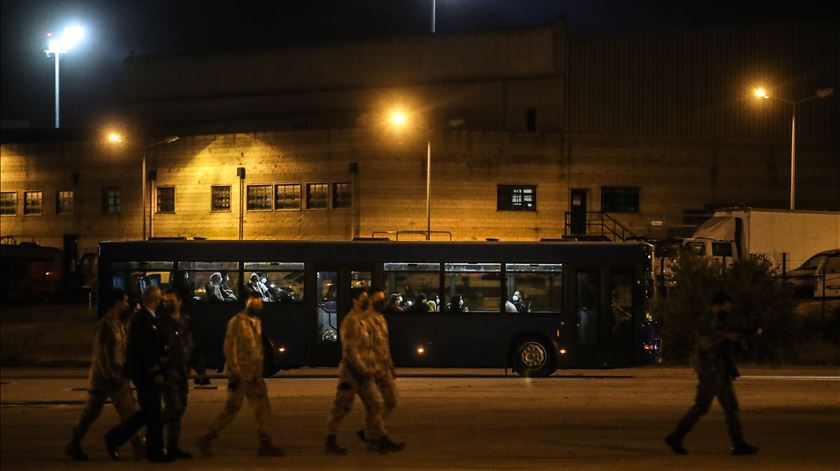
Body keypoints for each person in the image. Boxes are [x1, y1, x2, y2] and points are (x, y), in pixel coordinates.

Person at [665, 292, 759, 456]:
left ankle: (738, 443)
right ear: (721, 304)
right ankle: (677, 436)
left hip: (720, 371)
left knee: (731, 407)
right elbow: (706, 344)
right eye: (727, 306)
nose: (729, 310)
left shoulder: (718, 321)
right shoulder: (707, 321)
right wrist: (725, 337)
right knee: (702, 405)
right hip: (710, 371)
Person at [196, 293, 284, 457]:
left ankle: (265, 443)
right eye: (253, 303)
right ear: (246, 303)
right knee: (231, 409)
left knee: (264, 409)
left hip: (255, 376)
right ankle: (207, 438)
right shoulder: (237, 322)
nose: (256, 306)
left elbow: (258, 348)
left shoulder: (257, 323)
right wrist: (235, 372)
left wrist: (260, 373)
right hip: (240, 376)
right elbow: (229, 348)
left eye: (258, 303)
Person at [65, 288, 144, 461]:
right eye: (124, 300)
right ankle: (74, 443)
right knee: (90, 413)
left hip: (117, 378)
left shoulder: (119, 324)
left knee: (128, 413)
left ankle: (139, 446)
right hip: (104, 380)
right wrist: (111, 376)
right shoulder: (105, 326)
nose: (126, 303)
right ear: (117, 303)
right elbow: (101, 355)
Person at [325, 288, 403, 454]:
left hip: (365, 373)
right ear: (355, 301)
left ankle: (377, 439)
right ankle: (330, 438)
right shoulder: (351, 322)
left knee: (375, 404)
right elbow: (350, 351)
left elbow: (374, 347)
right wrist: (365, 370)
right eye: (363, 298)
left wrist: (376, 368)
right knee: (342, 407)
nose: (366, 301)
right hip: (351, 373)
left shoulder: (363, 320)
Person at [104, 285, 173, 463]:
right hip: (146, 376)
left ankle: (116, 439)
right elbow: (145, 349)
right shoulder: (143, 319)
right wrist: (155, 371)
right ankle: (154, 452)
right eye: (160, 298)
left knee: (148, 414)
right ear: (154, 300)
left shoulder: (146, 317)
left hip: (145, 374)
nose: (162, 301)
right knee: (154, 414)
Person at [158, 288, 207, 459]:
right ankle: (153, 428)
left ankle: (172, 446)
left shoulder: (187, 323)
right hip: (168, 373)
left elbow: (194, 348)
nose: (168, 304)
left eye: (172, 301)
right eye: (166, 302)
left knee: (180, 410)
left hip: (183, 373)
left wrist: (200, 370)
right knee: (173, 408)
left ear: (179, 302)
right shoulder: (161, 323)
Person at [359, 288, 403, 450]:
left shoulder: (380, 319)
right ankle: (377, 437)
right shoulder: (364, 320)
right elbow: (364, 346)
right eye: (379, 297)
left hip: (383, 368)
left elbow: (384, 345)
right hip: (373, 369)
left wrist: (390, 367)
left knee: (390, 401)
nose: (381, 300)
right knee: (376, 404)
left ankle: (369, 432)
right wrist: (368, 368)